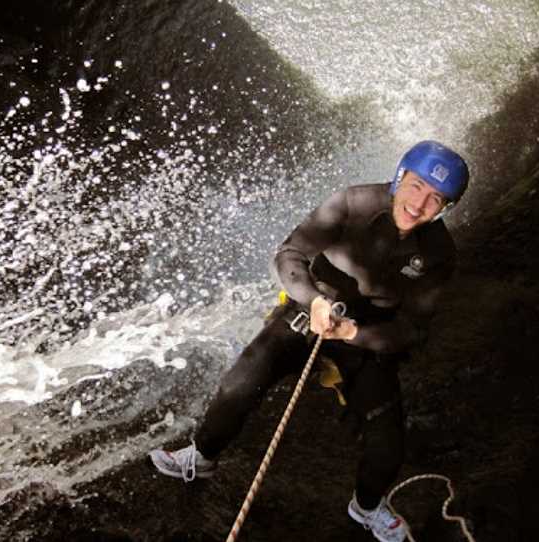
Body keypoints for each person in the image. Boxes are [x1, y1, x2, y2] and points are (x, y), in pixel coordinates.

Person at [149, 141, 469, 542]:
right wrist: (314, 301)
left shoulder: (440, 252)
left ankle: (366, 507)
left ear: (445, 208)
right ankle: (202, 455)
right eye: (417, 186)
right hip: (310, 310)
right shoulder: (351, 203)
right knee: (239, 383)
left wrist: (356, 334)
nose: (419, 204)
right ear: (401, 175)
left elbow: (414, 327)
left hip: (365, 336)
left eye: (436, 198)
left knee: (388, 444)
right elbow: (289, 254)